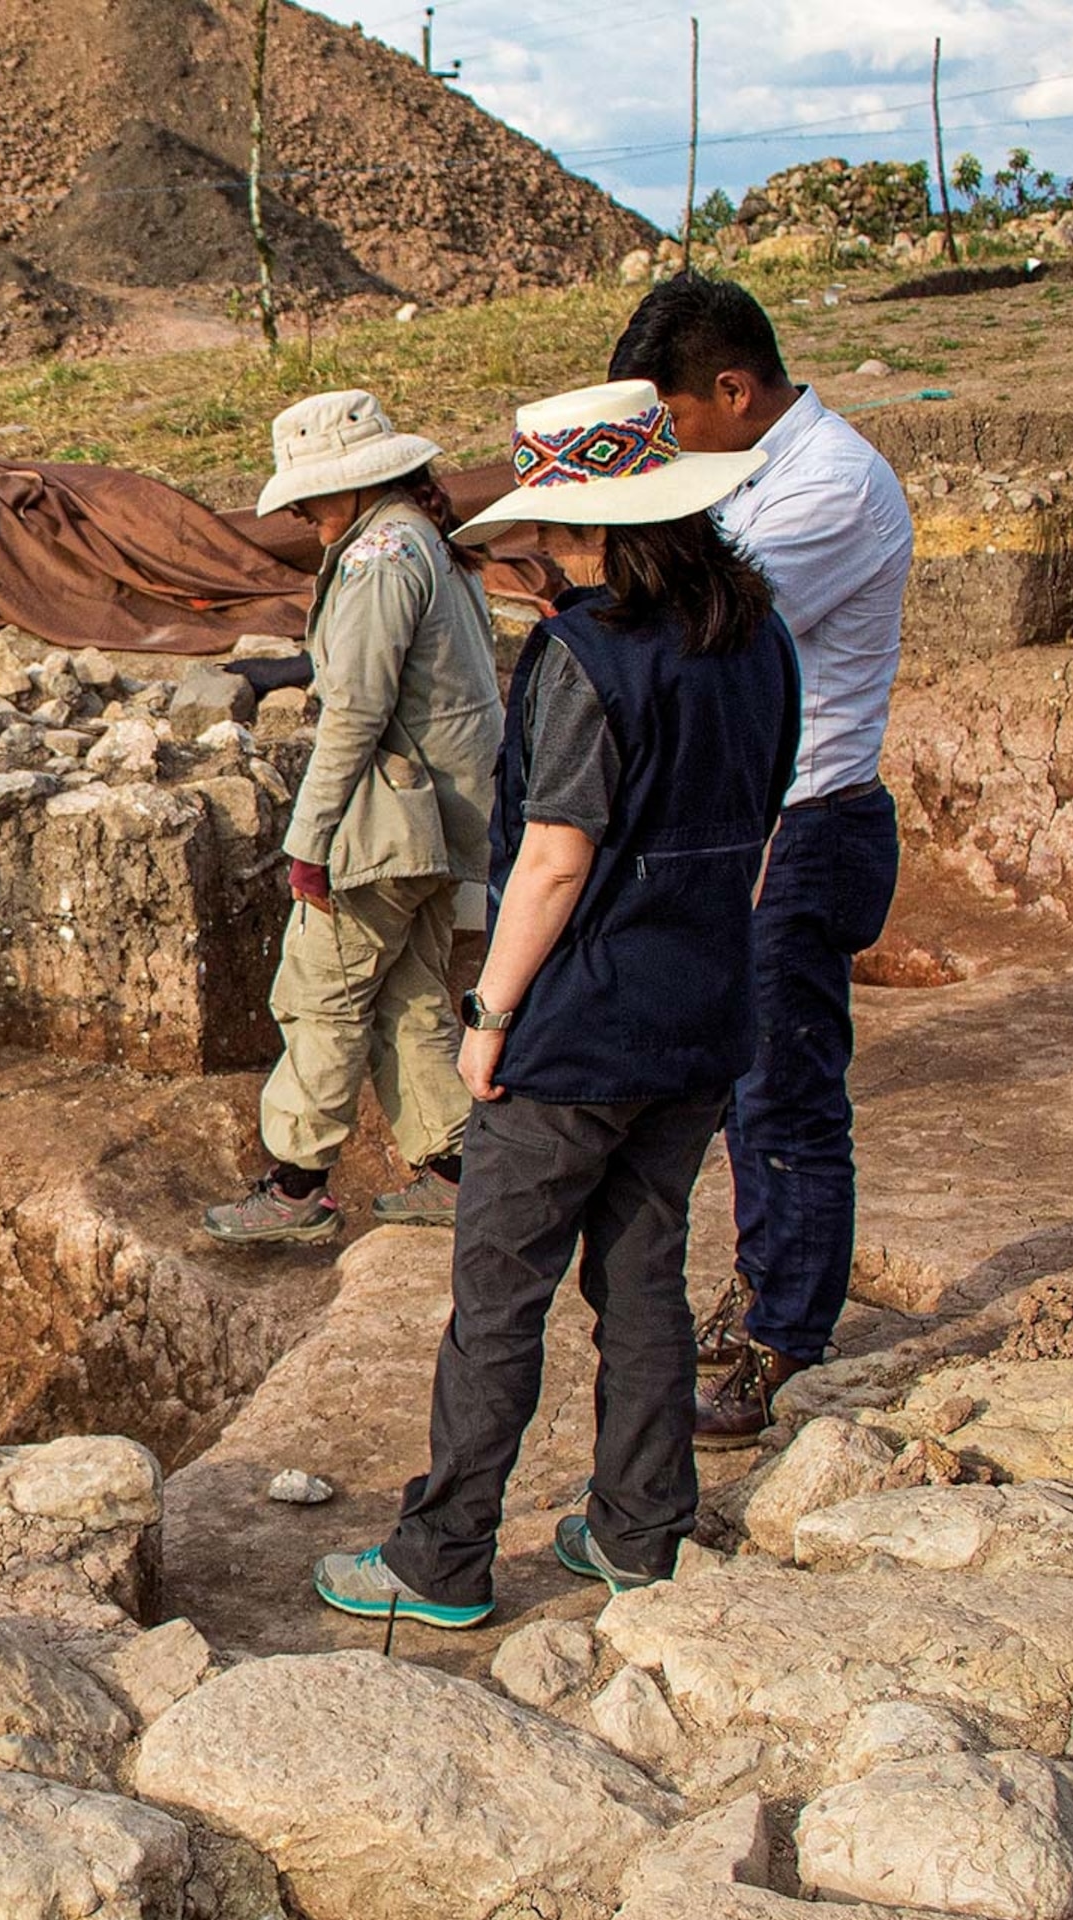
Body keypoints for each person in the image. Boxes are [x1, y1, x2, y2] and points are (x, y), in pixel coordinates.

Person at [314, 379, 799, 1628]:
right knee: (643, 1279)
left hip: (579, 1024)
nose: (532, 553)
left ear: (593, 531)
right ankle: (641, 1528)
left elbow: (556, 855)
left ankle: (441, 1558)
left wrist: (487, 1017)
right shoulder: (759, 636)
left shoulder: (583, 657)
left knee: (499, 1297)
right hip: (701, 1017)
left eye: (549, 533)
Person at [608, 277, 916, 1445]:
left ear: (734, 391)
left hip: (809, 820)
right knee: (749, 1081)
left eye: (674, 418)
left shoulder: (831, 487)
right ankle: (767, 1292)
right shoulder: (769, 467)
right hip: (772, 819)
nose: (671, 449)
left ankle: (785, 1332)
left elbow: (703, 618)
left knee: (784, 1089)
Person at [204, 391, 503, 1247]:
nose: (301, 514)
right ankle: (455, 1166)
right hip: (441, 816)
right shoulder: (425, 542)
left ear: (356, 483)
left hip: (389, 819)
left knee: (321, 994)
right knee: (409, 993)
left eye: (308, 498)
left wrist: (309, 841)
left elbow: (354, 713)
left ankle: (298, 1184)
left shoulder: (377, 557)